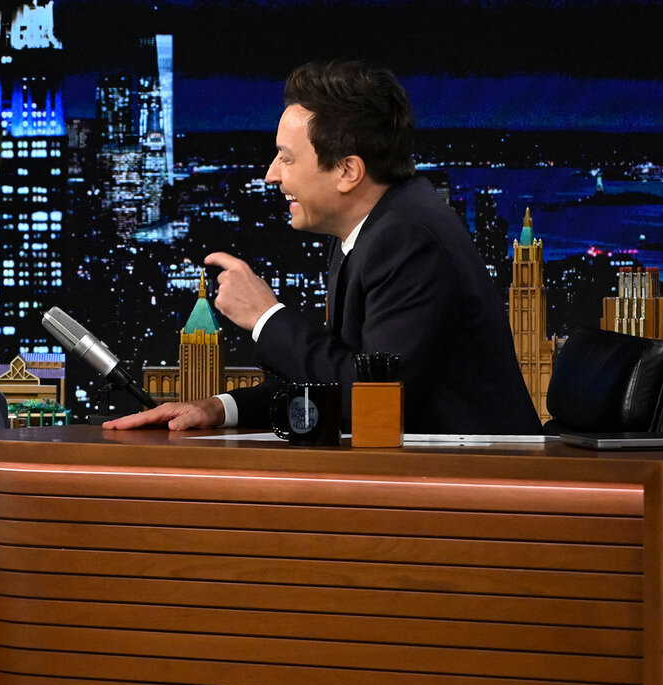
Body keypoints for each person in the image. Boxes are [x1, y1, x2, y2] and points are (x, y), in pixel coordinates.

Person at [105, 60, 540, 435]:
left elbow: (370, 401)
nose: (271, 175)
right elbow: (333, 377)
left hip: (482, 484)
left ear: (348, 171)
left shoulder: (407, 238)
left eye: (287, 158)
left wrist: (264, 316)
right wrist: (218, 409)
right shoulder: (371, 227)